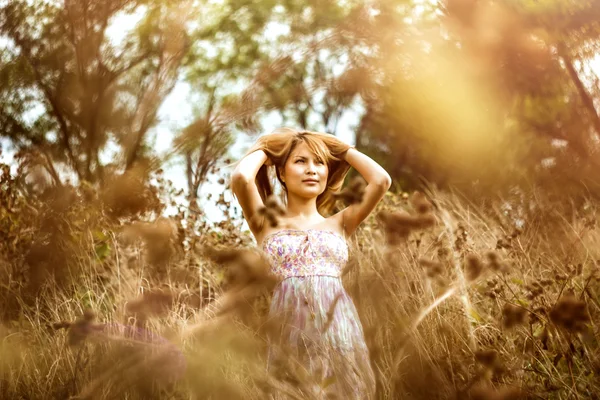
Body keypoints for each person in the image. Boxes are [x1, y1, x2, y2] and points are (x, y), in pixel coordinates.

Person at [230, 127, 391, 399]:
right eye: (300, 161)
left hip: (340, 331)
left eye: (319, 162)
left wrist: (340, 149)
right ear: (282, 172)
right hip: (290, 332)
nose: (312, 170)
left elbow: (381, 180)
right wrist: (268, 150)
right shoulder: (266, 223)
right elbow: (242, 177)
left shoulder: (341, 222)